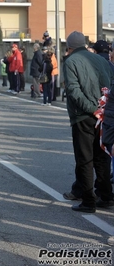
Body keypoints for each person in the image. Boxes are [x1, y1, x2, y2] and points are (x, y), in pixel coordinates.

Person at [62, 31, 114, 213]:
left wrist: (91, 108)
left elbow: (74, 91)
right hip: (105, 115)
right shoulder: (101, 60)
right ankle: (106, 196)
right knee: (102, 156)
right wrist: (103, 108)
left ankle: (88, 201)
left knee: (85, 159)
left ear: (69, 46)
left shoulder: (70, 62)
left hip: (83, 116)